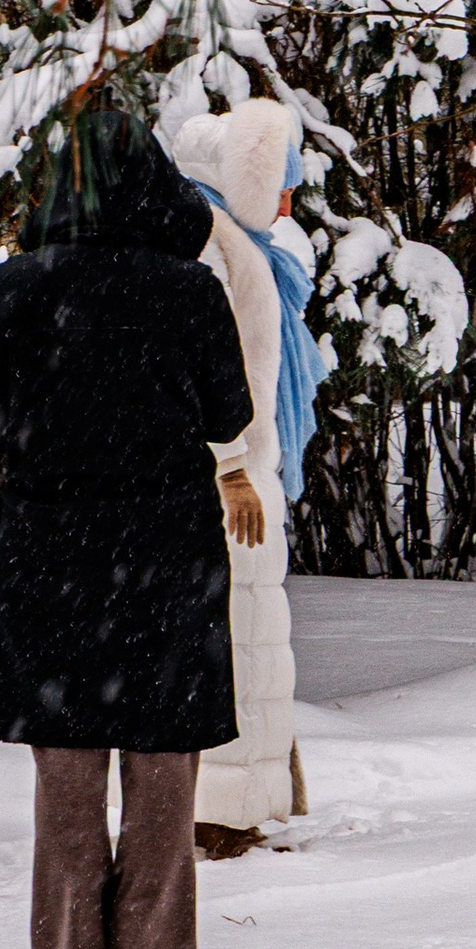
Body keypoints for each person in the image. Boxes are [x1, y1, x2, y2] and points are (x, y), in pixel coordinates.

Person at [0, 110, 253, 949]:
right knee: (162, 767)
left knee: (68, 770)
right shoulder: (188, 290)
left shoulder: (16, 288)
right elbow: (224, 411)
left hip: (53, 554)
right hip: (166, 550)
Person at [168, 100, 321, 854]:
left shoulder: (237, 242)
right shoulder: (211, 246)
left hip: (243, 469)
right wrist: (230, 466)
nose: (289, 201)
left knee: (252, 638)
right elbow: (213, 370)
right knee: (235, 638)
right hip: (227, 475)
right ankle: (221, 808)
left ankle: (243, 796)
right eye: (281, 184)